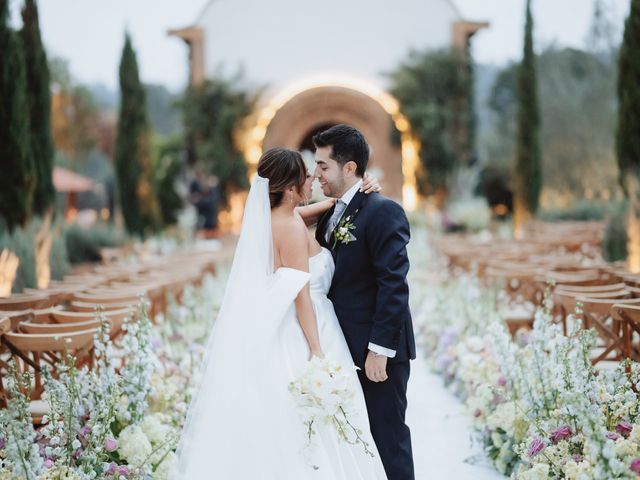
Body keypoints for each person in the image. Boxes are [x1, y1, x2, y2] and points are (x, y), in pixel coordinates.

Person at [172, 147, 387, 479]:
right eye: (305, 178)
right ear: (289, 189)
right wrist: (317, 351)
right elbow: (301, 295)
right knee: (323, 421)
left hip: (286, 325)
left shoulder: (277, 220)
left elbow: (317, 209)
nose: (312, 180)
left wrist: (352, 195)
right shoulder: (289, 227)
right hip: (309, 325)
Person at [314, 124, 416, 480]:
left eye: (323, 166)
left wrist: (380, 349)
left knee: (388, 439)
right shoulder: (330, 214)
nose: (316, 174)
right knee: (355, 444)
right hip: (340, 349)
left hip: (375, 352)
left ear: (350, 168)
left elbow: (393, 284)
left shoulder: (383, 211)